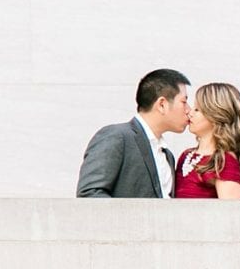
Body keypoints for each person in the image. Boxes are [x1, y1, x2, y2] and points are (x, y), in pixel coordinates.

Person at [75, 68, 190, 198]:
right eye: (184, 102)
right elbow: (90, 194)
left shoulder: (168, 156)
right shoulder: (116, 137)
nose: (189, 110)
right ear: (162, 104)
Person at [174, 81, 240, 200]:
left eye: (197, 109)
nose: (190, 113)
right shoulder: (186, 156)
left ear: (216, 116)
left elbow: (231, 214)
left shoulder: (223, 161)